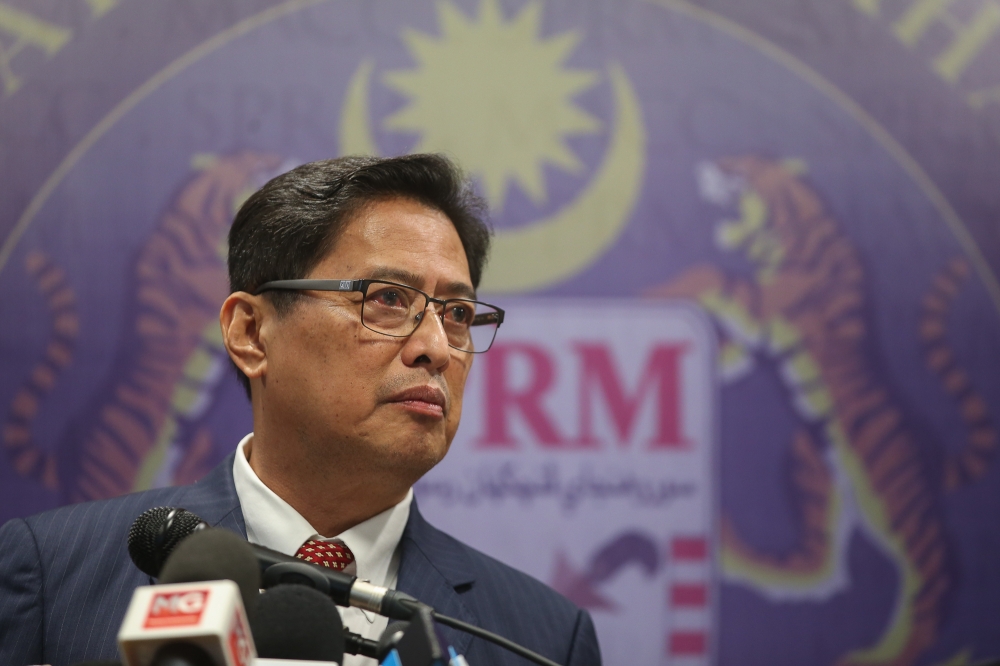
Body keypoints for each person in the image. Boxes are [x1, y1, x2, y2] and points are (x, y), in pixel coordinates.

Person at [0, 154, 602, 666]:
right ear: (251, 333)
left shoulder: (540, 638)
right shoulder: (53, 574)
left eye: (459, 314)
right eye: (388, 299)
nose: (437, 348)